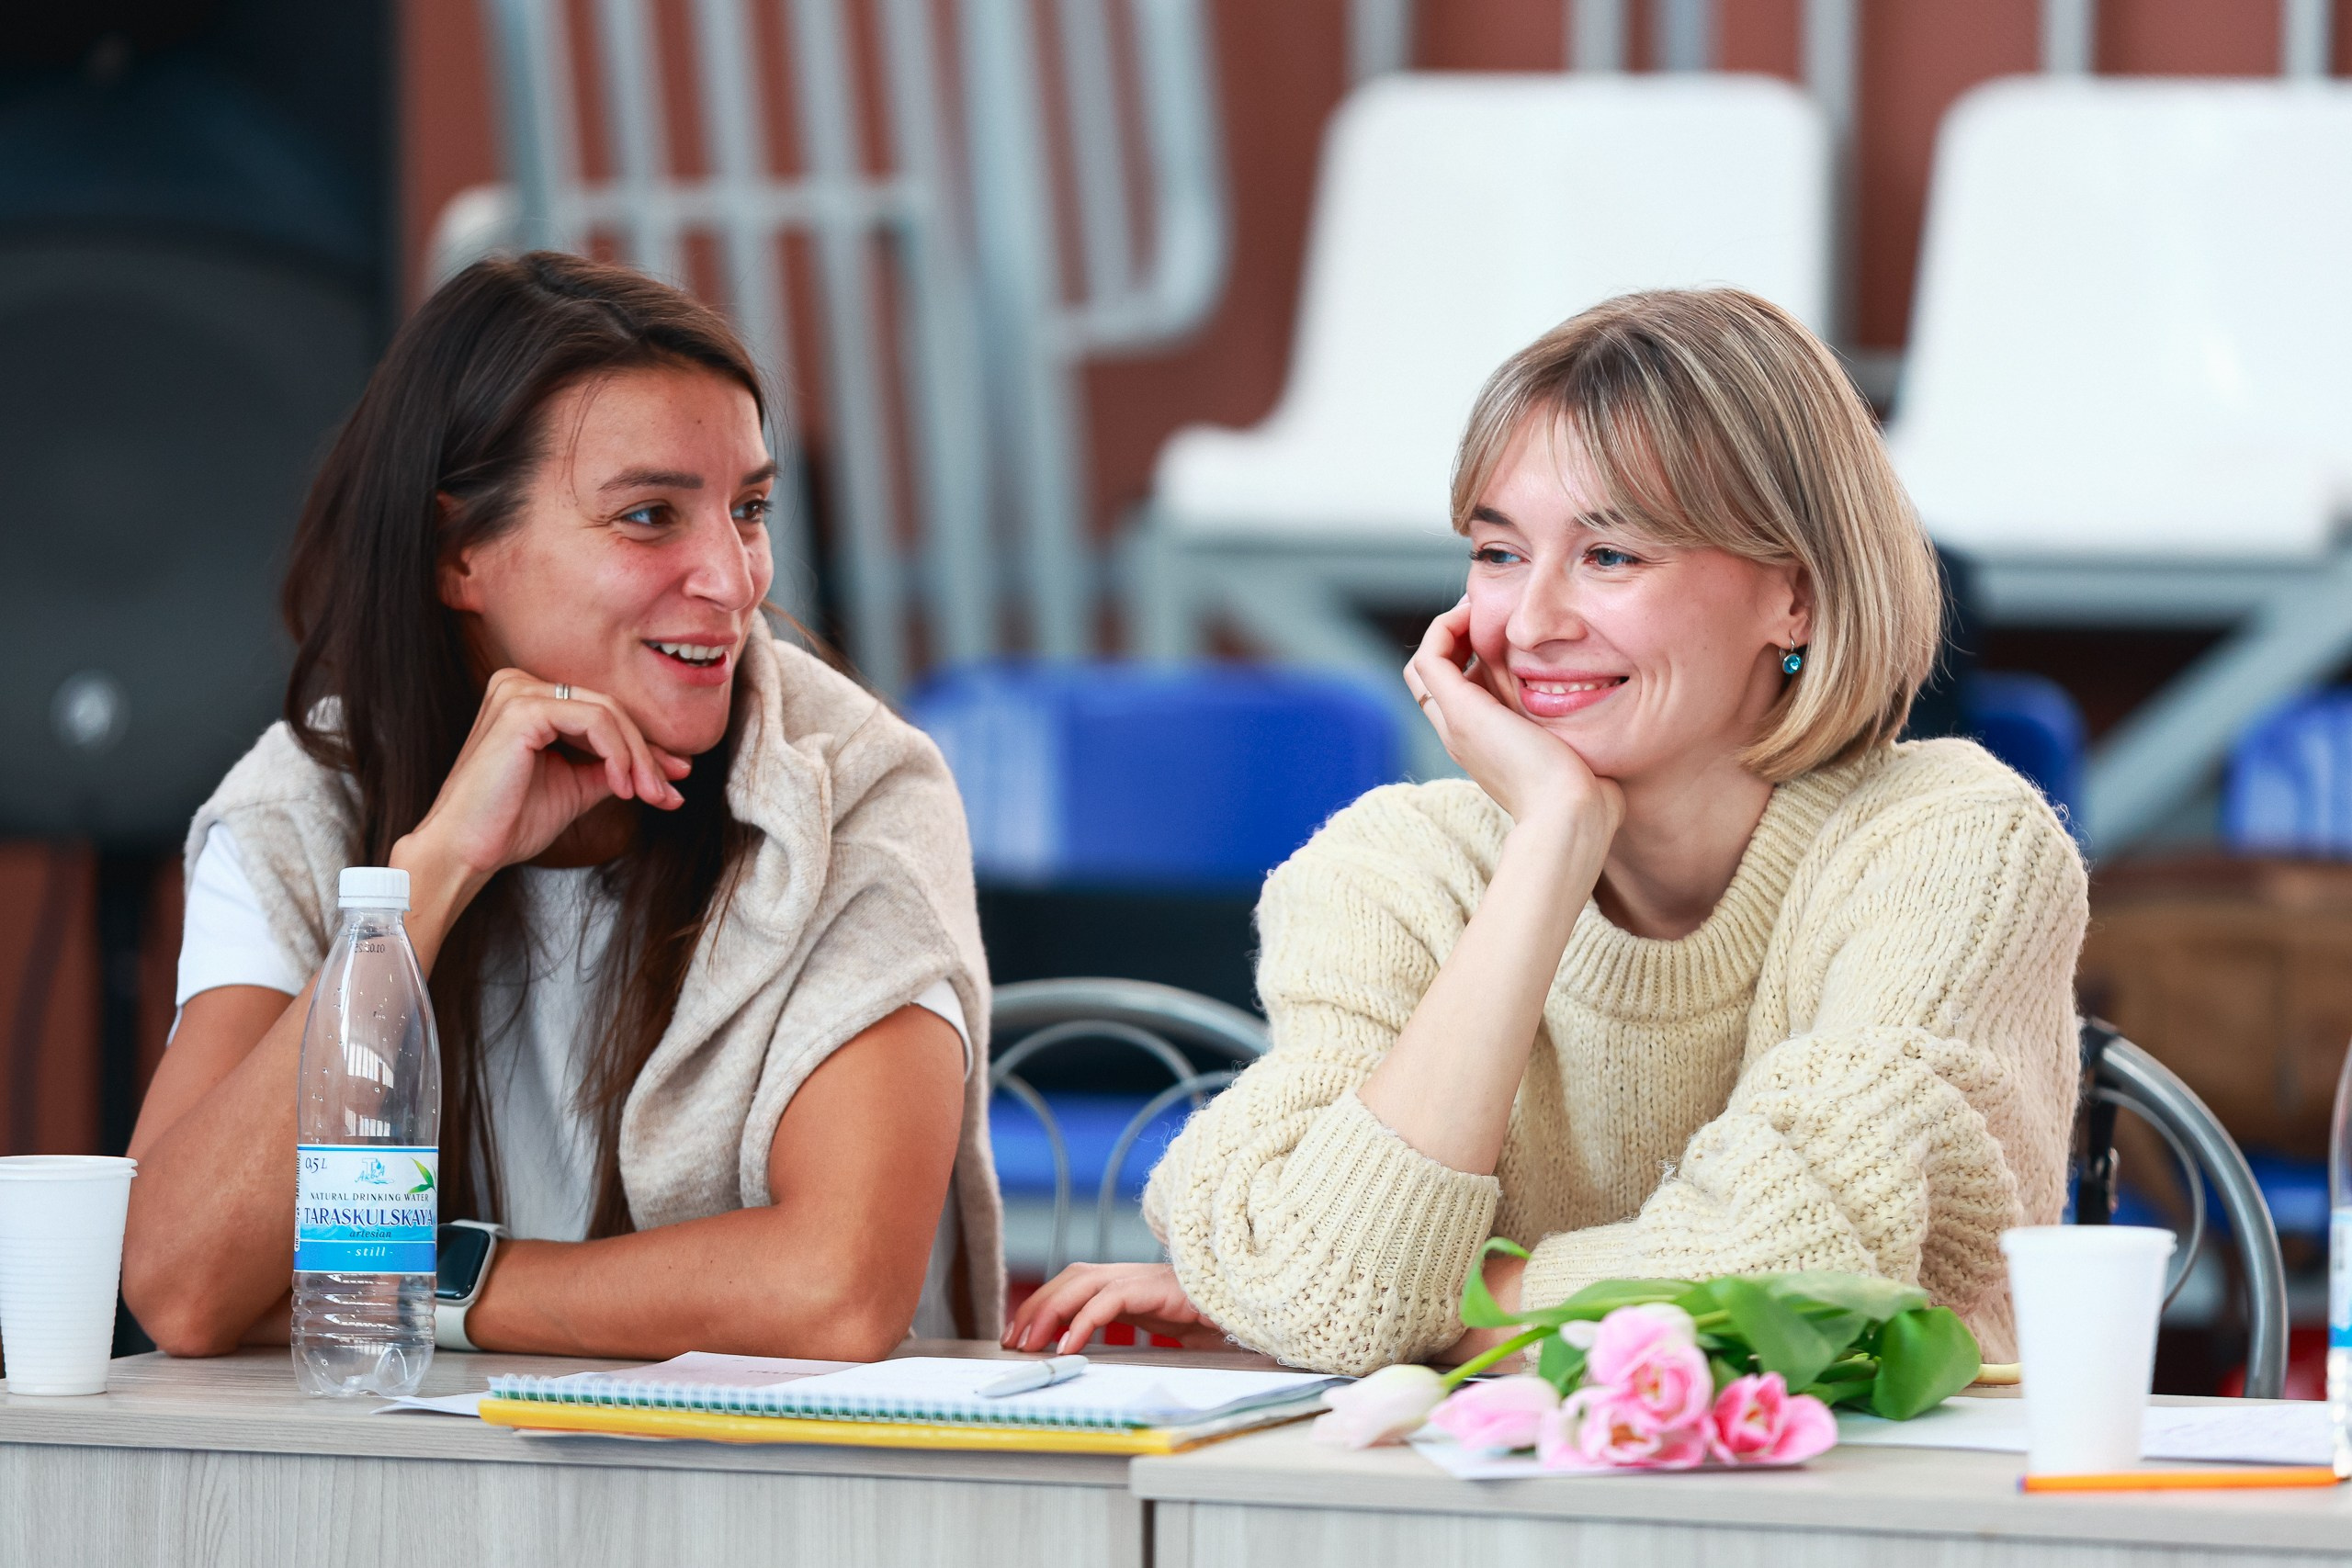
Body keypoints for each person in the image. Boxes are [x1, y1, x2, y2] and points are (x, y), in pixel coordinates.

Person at [1006, 288, 2086, 1374]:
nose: (1529, 625)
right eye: (1498, 552)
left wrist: (1440, 1311)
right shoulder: (1392, 867)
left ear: (1793, 599)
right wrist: (1552, 841)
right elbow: (1320, 1288)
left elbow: (1789, 1279)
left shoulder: (1954, 843)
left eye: (1611, 555)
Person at [124, 252, 1000, 1360]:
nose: (734, 581)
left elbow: (834, 1288)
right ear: (460, 554)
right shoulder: (305, 802)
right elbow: (185, 1287)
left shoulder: (857, 785)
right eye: (648, 517)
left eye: (749, 509)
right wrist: (424, 881)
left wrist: (412, 1286)